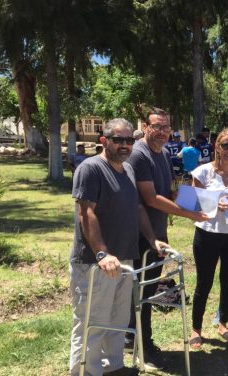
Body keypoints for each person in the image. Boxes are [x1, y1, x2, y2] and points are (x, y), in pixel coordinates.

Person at [69, 118, 168, 376]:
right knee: (92, 322)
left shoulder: (128, 170)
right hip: (95, 262)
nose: (124, 145)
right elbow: (86, 213)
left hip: (125, 259)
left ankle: (113, 366)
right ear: (105, 140)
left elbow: (136, 208)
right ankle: (86, 372)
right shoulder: (91, 169)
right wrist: (102, 252)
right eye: (118, 140)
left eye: (129, 140)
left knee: (118, 319)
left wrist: (151, 238)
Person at [125, 107, 207, 370]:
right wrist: (190, 212)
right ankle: (142, 346)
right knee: (142, 292)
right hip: (140, 235)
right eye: (156, 126)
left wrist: (203, 202)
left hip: (157, 233)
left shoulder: (163, 153)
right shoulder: (140, 154)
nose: (162, 132)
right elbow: (149, 198)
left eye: (166, 126)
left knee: (147, 290)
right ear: (146, 127)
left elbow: (169, 192)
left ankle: (134, 338)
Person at [189, 129, 228, 347]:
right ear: (216, 146)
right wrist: (214, 205)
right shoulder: (202, 173)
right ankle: (196, 329)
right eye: (224, 145)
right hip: (207, 235)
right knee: (204, 283)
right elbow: (191, 205)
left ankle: (223, 324)